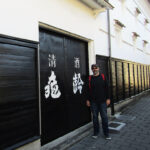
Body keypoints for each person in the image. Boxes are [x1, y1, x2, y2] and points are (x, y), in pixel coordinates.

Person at [86, 64, 111, 140]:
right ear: (92, 70)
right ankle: (96, 132)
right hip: (93, 102)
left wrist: (108, 98)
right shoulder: (90, 78)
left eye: (96, 68)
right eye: (93, 68)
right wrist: (87, 100)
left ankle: (106, 133)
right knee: (95, 118)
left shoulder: (103, 77)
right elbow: (87, 90)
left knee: (104, 118)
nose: (94, 69)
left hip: (103, 102)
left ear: (98, 68)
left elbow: (107, 88)